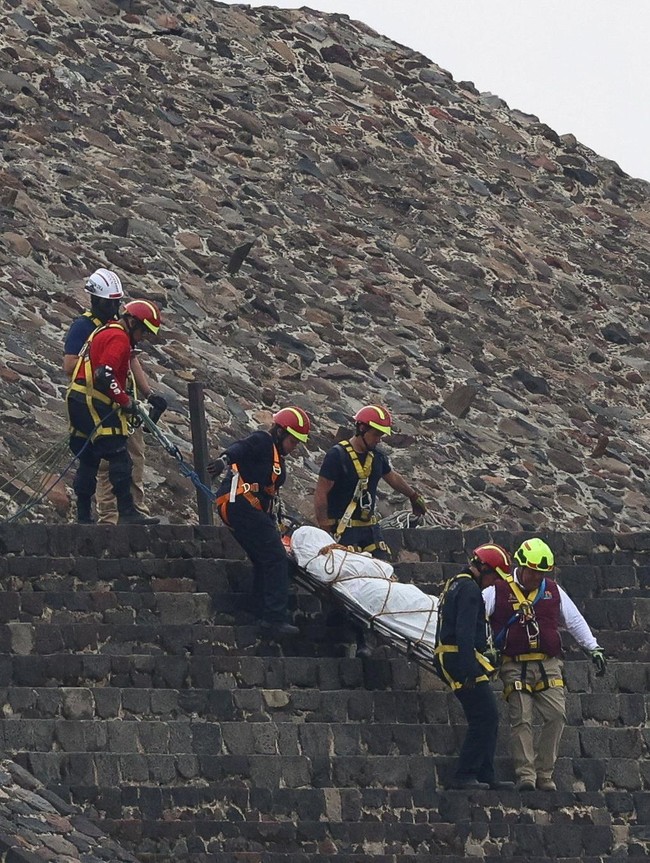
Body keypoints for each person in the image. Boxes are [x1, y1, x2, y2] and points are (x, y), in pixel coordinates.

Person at [483, 537, 607, 792]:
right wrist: (486, 649)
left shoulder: (553, 590)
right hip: (514, 664)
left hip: (548, 664)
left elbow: (574, 620)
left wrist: (592, 647)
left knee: (556, 715)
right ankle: (526, 774)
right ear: (522, 567)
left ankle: (545, 772)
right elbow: (476, 618)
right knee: (522, 719)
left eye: (542, 573)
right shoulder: (495, 591)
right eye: (534, 572)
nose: (537, 578)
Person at [63, 269, 167, 524]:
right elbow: (102, 372)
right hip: (97, 400)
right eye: (143, 332)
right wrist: (124, 399)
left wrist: (148, 394)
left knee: (90, 458)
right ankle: (122, 514)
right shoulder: (104, 331)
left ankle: (84, 517)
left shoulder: (113, 331)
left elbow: (129, 362)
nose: (113, 307)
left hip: (90, 400)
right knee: (119, 456)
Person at [211, 407, 311, 639]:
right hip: (240, 506)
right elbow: (240, 448)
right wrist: (223, 460)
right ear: (280, 432)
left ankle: (258, 610)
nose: (294, 447)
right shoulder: (262, 441)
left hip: (251, 510)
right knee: (276, 557)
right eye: (293, 441)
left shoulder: (276, 454)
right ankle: (274, 618)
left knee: (263, 557)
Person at [433, 543, 515, 791]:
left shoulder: (457, 582)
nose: (493, 584)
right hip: (460, 659)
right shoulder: (469, 589)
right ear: (484, 569)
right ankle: (465, 773)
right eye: (494, 578)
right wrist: (470, 669)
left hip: (456, 657)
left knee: (487, 716)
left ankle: (485, 774)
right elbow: (464, 631)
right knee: (485, 716)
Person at [313, 405, 426, 559]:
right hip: (344, 530)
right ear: (361, 428)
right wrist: (324, 528)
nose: (379, 439)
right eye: (376, 434)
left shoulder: (376, 456)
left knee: (384, 570)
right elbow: (321, 492)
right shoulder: (337, 456)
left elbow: (392, 478)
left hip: (370, 530)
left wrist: (413, 496)